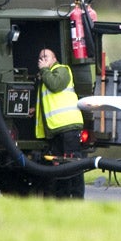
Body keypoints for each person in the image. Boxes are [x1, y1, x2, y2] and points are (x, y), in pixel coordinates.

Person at [34, 48, 85, 198]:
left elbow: (55, 85)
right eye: (40, 58)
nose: (42, 60)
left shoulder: (62, 70)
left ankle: (76, 197)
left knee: (73, 163)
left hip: (68, 126)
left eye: (45, 57)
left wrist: (43, 71)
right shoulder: (45, 76)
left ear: (54, 58)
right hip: (56, 128)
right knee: (59, 166)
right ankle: (61, 197)